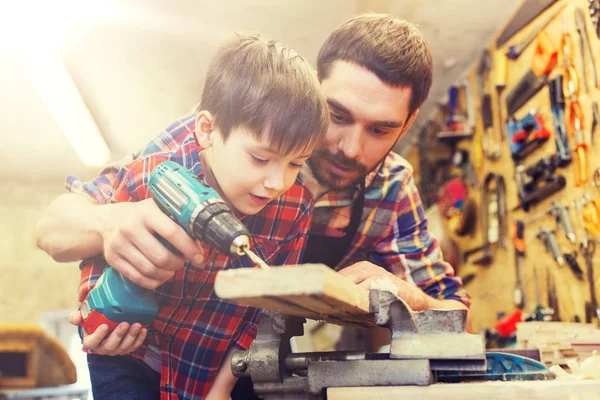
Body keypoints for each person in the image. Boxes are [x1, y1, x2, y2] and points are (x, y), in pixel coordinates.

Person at [36, 12, 472, 396]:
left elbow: (455, 319)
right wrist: (112, 223)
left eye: (380, 129)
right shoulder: (220, 136)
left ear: (408, 123)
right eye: (337, 116)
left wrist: (409, 297)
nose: (351, 149)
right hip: (148, 355)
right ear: (313, 91)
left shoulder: (392, 189)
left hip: (240, 357)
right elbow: (54, 226)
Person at [64, 34, 329, 400]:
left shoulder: (295, 206)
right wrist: (97, 314)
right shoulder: (155, 174)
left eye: (295, 163)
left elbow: (264, 314)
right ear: (207, 130)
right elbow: (100, 253)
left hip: (214, 361)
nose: (276, 183)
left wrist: (221, 391)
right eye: (260, 158)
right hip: (131, 353)